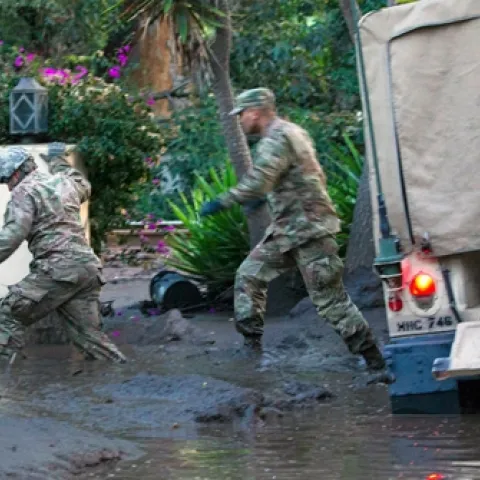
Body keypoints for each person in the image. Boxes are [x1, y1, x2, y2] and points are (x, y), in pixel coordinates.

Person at [199, 88, 386, 372]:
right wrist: (270, 197)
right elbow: (304, 174)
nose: (240, 121)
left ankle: (374, 360)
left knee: (330, 300)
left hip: (309, 231)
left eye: (242, 114)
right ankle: (252, 348)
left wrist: (222, 201)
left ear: (256, 112)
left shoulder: (275, 139)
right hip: (288, 230)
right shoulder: (293, 132)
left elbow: (259, 181)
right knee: (249, 275)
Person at [0, 144, 126, 364]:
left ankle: (8, 388)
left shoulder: (23, 192)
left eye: (7, 180)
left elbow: (12, 236)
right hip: (87, 270)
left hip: (58, 270)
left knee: (8, 313)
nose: (8, 187)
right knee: (92, 341)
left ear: (17, 173)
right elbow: (82, 184)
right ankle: (122, 378)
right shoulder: (64, 182)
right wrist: (57, 159)